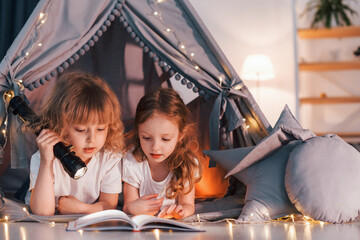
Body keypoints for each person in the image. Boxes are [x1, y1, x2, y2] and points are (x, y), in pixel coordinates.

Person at [25, 72, 124, 216]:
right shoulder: (42, 158)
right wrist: (47, 162)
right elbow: (42, 212)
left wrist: (82, 209)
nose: (92, 139)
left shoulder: (109, 159)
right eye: (81, 129)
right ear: (61, 127)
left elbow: (109, 205)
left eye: (101, 129)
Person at [122, 88, 202, 219]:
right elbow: (128, 205)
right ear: (138, 133)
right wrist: (133, 207)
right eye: (147, 138)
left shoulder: (188, 164)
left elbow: (188, 205)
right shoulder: (132, 161)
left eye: (165, 139)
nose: (155, 147)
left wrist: (181, 212)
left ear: (180, 135)